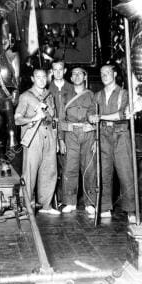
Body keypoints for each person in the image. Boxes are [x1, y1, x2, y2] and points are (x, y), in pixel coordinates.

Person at [88, 64, 136, 223]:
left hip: (120, 135)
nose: (104, 75)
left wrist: (100, 117)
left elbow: (123, 114)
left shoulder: (124, 93)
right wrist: (91, 118)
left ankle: (131, 210)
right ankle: (105, 207)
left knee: (126, 173)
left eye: (107, 72)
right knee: (103, 173)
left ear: (114, 74)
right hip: (103, 136)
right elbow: (90, 113)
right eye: (102, 73)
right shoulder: (97, 95)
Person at [15, 69, 60, 215]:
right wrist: (33, 118)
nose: (41, 80)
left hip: (50, 134)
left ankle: (45, 205)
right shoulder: (25, 96)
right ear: (33, 79)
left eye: (43, 77)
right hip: (34, 135)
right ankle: (26, 205)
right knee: (30, 171)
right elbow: (17, 119)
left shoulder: (49, 95)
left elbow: (54, 118)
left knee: (49, 170)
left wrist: (57, 139)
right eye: (38, 77)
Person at [58, 67, 96, 216]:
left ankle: (90, 202)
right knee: (70, 168)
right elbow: (61, 119)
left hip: (88, 135)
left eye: (80, 73)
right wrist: (61, 139)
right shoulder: (65, 96)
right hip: (71, 135)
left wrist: (96, 140)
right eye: (74, 74)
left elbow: (97, 117)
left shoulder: (93, 96)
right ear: (71, 78)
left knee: (89, 169)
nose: (77, 76)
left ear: (85, 77)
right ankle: (70, 202)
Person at [48, 60, 73, 204]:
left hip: (68, 133)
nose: (57, 72)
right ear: (52, 71)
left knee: (68, 166)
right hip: (51, 133)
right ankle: (51, 199)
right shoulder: (46, 89)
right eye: (54, 69)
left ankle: (66, 199)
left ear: (64, 71)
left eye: (60, 69)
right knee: (51, 167)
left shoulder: (72, 89)